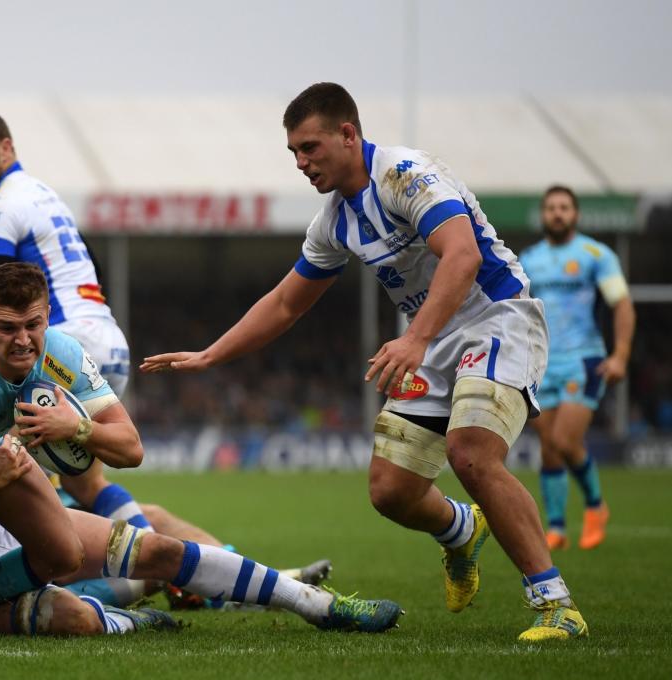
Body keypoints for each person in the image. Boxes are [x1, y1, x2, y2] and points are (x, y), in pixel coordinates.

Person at [143, 82, 587, 643]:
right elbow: (285, 303)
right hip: (431, 339)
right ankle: (459, 530)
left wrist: (416, 339)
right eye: (294, 154)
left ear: (348, 134)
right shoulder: (334, 222)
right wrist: (211, 354)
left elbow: (464, 255)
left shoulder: (407, 174)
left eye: (310, 148)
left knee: (470, 453)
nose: (302, 163)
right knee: (390, 491)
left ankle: (556, 604)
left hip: (497, 317)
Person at [0, 314, 402, 639]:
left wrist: (68, 428)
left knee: (157, 548)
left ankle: (316, 605)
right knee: (77, 618)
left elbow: (124, 446)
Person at [0, 111, 152, 533]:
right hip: (107, 342)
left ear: (7, 148)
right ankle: (153, 554)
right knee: (84, 482)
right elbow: (91, 263)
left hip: (62, 345)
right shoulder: (45, 195)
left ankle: (42, 577)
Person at [521, 185, 635, 550]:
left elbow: (621, 304)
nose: (557, 213)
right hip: (541, 362)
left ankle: (595, 505)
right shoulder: (529, 258)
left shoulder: (595, 254)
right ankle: (556, 527)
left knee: (565, 441)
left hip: (583, 359)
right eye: (551, 207)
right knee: (549, 449)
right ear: (543, 214)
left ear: (575, 214)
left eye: (564, 207)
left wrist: (620, 355)